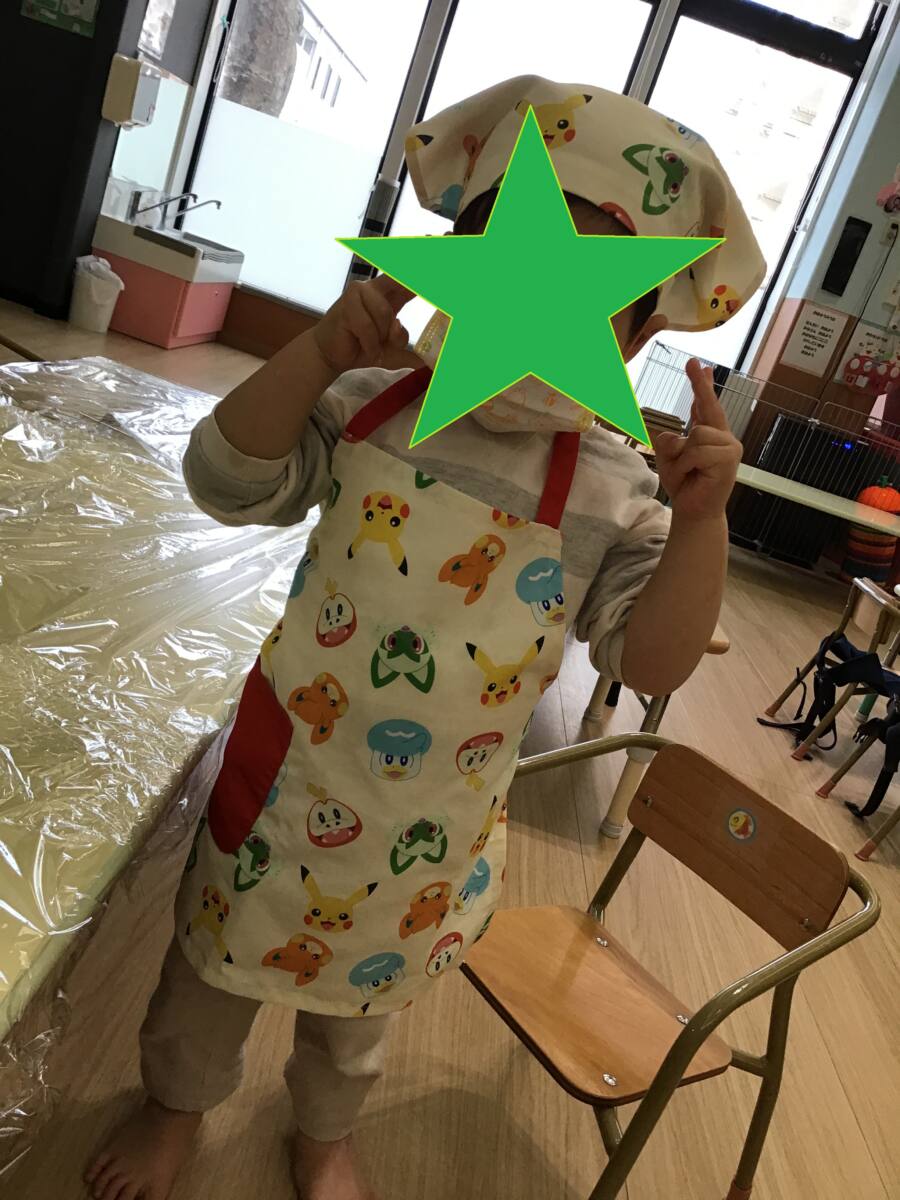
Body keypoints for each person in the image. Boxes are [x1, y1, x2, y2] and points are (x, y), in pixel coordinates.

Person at [86, 76, 764, 1200]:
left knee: (360, 1010)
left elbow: (650, 664)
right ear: (454, 265)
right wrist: (314, 352)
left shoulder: (615, 491)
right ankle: (174, 1107)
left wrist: (701, 525)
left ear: (639, 329)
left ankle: (324, 1133)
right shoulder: (370, 400)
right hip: (289, 773)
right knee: (208, 971)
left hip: (427, 822)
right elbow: (222, 479)